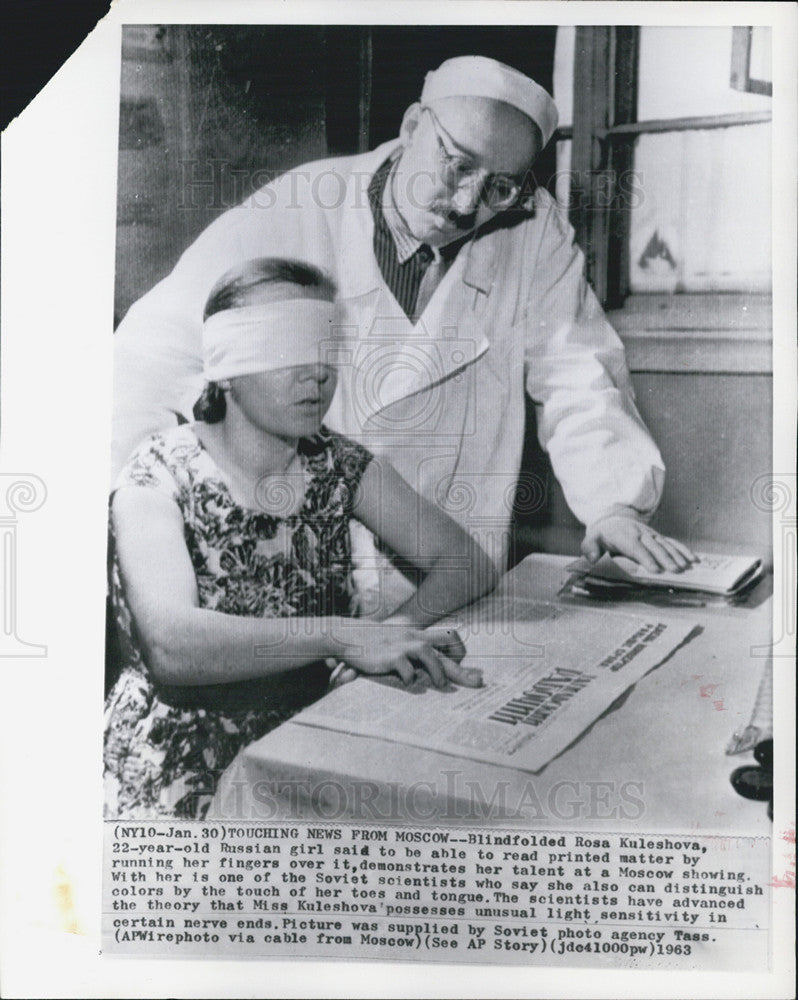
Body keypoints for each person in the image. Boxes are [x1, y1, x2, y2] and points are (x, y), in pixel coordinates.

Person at [112, 54, 696, 611]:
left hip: (449, 580)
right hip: (296, 581)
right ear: (414, 125)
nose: (467, 204)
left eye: (500, 186)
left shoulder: (535, 232)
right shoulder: (300, 207)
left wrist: (614, 504)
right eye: (457, 164)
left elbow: (579, 375)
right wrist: (131, 515)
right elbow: (151, 355)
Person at [104, 258, 497, 819]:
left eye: (325, 347)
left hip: (308, 742)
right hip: (178, 772)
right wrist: (340, 635)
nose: (317, 373)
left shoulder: (337, 463)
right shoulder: (158, 473)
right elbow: (174, 647)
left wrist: (390, 635)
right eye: (287, 348)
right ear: (227, 368)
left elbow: (464, 561)